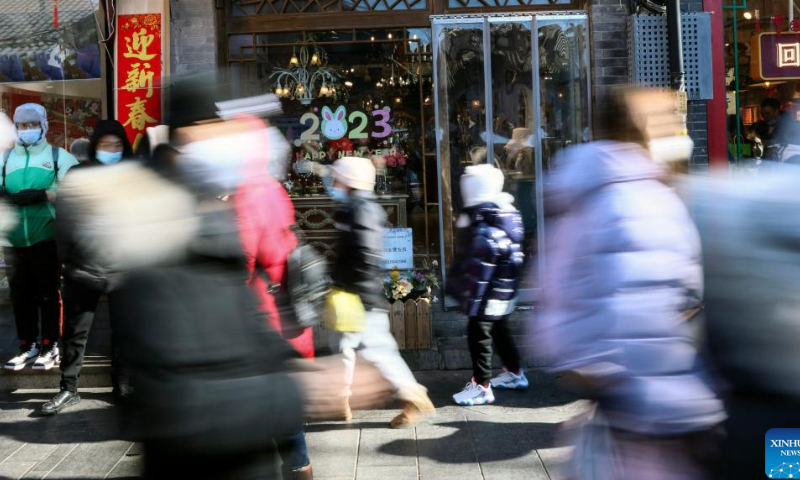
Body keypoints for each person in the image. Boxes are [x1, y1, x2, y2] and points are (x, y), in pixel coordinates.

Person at [531, 88, 725, 479]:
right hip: (664, 405)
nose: (678, 129)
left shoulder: (584, 194)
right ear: (640, 131)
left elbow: (553, 296)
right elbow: (667, 298)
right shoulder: (642, 201)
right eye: (668, 119)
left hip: (631, 403)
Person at [232, 111, 314, 479]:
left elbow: (243, 260)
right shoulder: (271, 186)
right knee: (283, 414)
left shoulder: (247, 193)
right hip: (286, 311)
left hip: (264, 316)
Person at [327, 156, 434, 429]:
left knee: (351, 348)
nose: (333, 184)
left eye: (338, 178)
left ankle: (348, 400)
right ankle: (406, 396)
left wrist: (346, 283)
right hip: (361, 293)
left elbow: (362, 252)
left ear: (350, 181)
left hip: (356, 295)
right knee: (369, 349)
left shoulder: (359, 209)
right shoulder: (362, 207)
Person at [41, 120, 134, 415]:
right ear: (95, 146)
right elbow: (65, 220)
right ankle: (68, 388)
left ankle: (123, 385)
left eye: (117, 145)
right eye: (106, 145)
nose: (112, 150)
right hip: (83, 266)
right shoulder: (78, 175)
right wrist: (67, 259)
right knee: (75, 331)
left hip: (123, 266)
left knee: (124, 330)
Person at [2, 103, 78, 372]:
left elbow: (78, 188)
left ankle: (50, 345)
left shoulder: (58, 156)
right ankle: (27, 345)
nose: (27, 130)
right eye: (22, 125)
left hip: (47, 236)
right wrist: (7, 197)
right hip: (13, 240)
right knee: (20, 295)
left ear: (43, 125)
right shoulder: (5, 159)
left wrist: (45, 194)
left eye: (32, 125)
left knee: (48, 294)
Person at [447, 163, 527, 406]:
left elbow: (478, 269)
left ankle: (481, 385)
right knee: (500, 330)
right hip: (502, 290)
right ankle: (515, 373)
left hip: (487, 294)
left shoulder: (484, 227)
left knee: (478, 335)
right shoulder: (503, 215)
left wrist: (465, 295)